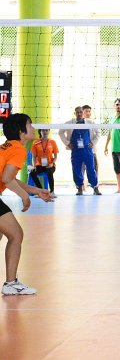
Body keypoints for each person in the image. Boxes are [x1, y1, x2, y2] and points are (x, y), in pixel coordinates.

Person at [0, 114, 54, 296]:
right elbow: (6, 179)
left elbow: (10, 178)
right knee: (16, 235)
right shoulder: (18, 149)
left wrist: (35, 190)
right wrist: (25, 197)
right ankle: (10, 284)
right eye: (30, 125)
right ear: (21, 131)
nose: (33, 128)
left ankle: (10, 283)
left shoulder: (8, 146)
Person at [59, 106, 100, 195]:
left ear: (83, 113)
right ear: (75, 113)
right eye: (77, 112)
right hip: (76, 151)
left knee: (91, 169)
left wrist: (93, 142)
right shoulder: (69, 123)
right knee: (76, 169)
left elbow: (98, 132)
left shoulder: (90, 122)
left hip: (87, 150)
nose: (79, 114)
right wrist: (67, 143)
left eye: (81, 112)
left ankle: (95, 187)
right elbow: (60, 132)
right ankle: (79, 188)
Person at [30, 129, 59, 196]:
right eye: (43, 130)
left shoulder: (52, 142)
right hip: (39, 165)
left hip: (50, 165)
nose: (45, 132)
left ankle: (52, 191)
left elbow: (55, 157)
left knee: (49, 171)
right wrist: (34, 166)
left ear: (49, 131)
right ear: (40, 132)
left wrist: (52, 164)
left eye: (46, 130)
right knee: (32, 173)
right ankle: (41, 191)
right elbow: (33, 157)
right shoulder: (35, 142)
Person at [82, 104, 101, 182]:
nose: (88, 113)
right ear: (82, 112)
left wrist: (93, 142)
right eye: (86, 111)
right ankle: (81, 185)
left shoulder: (93, 122)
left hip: (91, 150)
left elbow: (98, 133)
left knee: (94, 168)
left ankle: (95, 184)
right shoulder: (77, 123)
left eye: (89, 111)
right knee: (81, 169)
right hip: (81, 150)